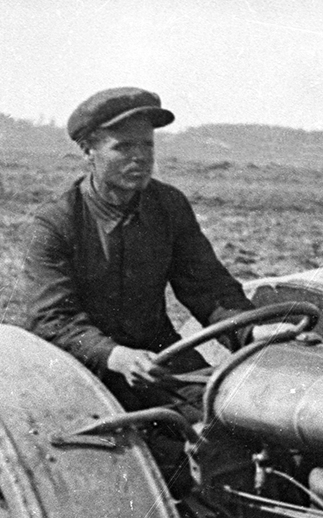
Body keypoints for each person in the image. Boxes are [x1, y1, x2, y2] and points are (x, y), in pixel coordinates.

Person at [21, 86, 256, 414]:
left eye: (147, 144)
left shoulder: (169, 206)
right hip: (83, 366)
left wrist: (253, 329)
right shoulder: (55, 223)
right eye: (123, 147)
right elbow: (52, 318)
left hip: (159, 354)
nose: (141, 157)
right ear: (89, 150)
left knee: (236, 416)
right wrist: (115, 356)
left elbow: (209, 289)